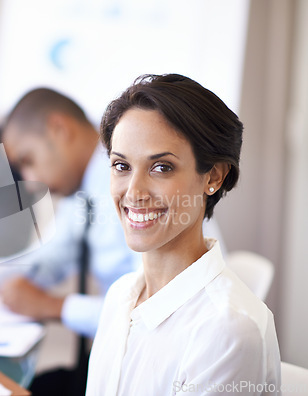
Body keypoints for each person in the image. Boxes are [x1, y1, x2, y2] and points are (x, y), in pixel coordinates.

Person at [0, 88, 227, 395]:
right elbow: (51, 259)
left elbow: (161, 315)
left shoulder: (144, 203)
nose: (32, 181)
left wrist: (54, 306)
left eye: (28, 160)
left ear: (59, 130)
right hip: (111, 364)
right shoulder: (84, 194)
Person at [86, 74, 281, 395]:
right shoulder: (120, 296)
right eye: (121, 166)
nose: (133, 193)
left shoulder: (229, 328)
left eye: (161, 167)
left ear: (214, 176)